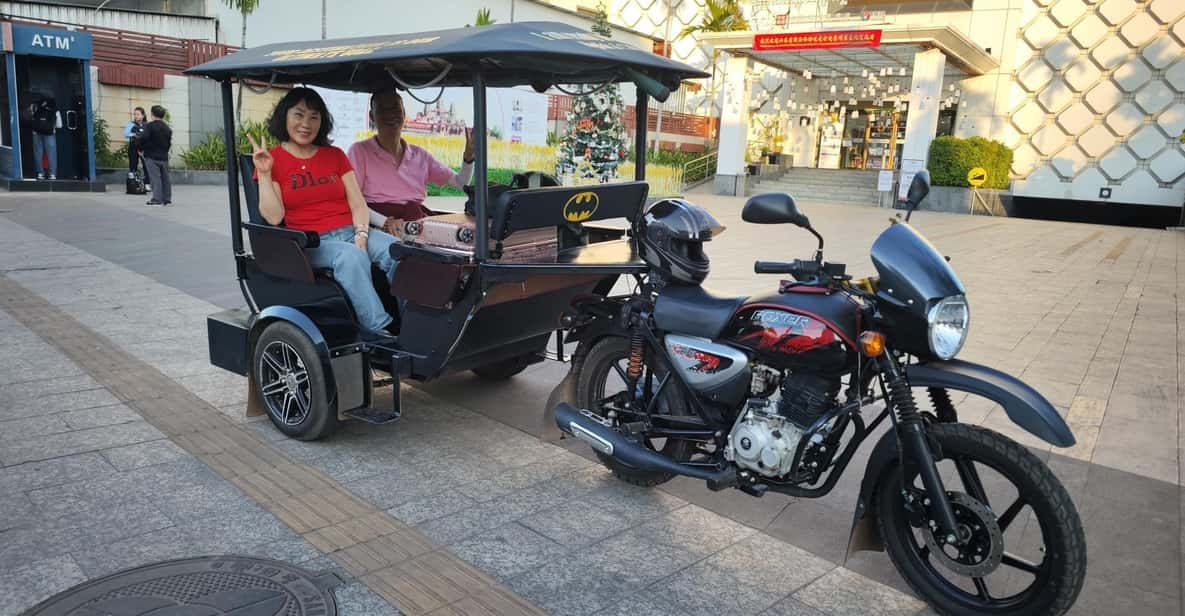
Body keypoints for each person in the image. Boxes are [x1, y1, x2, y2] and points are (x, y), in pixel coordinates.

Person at [249, 87, 400, 337]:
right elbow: (274, 217)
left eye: (314, 117)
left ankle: (414, 324)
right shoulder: (273, 160)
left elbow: (358, 203)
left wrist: (362, 235)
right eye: (299, 115)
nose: (306, 124)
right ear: (284, 117)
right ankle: (380, 331)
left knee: (399, 251)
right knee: (350, 258)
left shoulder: (335, 155)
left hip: (353, 231)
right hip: (313, 242)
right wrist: (264, 173)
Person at [347, 90, 474, 234]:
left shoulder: (420, 155)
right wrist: (384, 222)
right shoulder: (359, 151)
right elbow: (352, 200)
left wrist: (468, 159)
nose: (390, 114)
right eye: (383, 109)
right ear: (372, 116)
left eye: (395, 107)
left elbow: (461, 183)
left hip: (416, 221)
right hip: (377, 224)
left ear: (403, 112)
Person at [139, 105, 173, 206]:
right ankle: (167, 199)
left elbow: (143, 138)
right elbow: (168, 143)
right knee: (165, 179)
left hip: (151, 156)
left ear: (152, 114)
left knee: (155, 178)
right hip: (164, 157)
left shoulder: (149, 126)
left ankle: (156, 199)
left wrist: (141, 149)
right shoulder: (167, 128)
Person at [27, 94, 61, 180]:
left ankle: (40, 174)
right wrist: (50, 127)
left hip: (36, 133)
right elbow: (59, 125)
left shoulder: (35, 107)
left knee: (38, 154)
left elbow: (30, 119)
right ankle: (52, 174)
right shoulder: (55, 109)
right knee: (51, 154)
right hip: (50, 134)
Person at [123, 107, 146, 178]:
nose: (136, 116)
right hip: (133, 147)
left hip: (144, 148)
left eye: (138, 114)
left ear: (143, 115)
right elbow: (126, 134)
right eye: (135, 114)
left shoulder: (147, 125)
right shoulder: (131, 124)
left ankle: (147, 183)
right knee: (133, 164)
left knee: (146, 165)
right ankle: (133, 182)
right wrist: (134, 134)